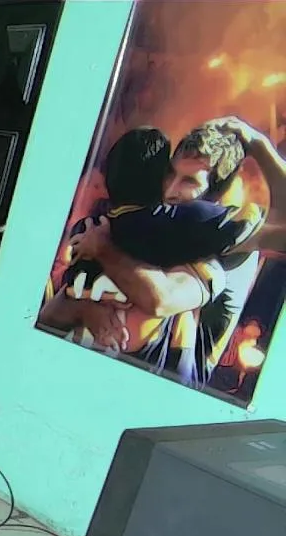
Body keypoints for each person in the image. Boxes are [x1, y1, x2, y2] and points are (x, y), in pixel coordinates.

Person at [50, 118, 286, 388]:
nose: (171, 191)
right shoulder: (148, 227)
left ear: (217, 195)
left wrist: (258, 144)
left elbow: (160, 300)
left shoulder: (229, 247)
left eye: (189, 181)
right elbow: (51, 313)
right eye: (170, 173)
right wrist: (83, 308)